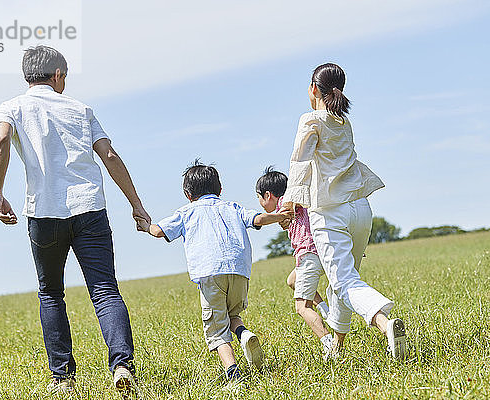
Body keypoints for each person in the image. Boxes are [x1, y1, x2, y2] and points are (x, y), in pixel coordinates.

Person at [0, 45, 151, 397]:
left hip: (44, 212)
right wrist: (136, 205)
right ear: (58, 75)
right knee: (105, 291)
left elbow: (1, 138)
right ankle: (122, 365)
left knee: (50, 293)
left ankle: (62, 377)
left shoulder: (11, 107)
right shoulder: (80, 109)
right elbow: (108, 154)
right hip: (89, 207)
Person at [282, 63, 407, 359]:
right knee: (343, 282)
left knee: (345, 281)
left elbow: (299, 161)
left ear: (314, 88)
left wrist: (289, 200)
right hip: (361, 209)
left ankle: (385, 324)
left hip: (330, 211)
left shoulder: (310, 119)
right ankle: (336, 348)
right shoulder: (343, 122)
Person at [137, 160, 293, 382]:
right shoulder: (232, 207)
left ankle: (233, 374)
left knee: (217, 329)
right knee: (233, 315)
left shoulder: (185, 212)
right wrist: (279, 216)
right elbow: (258, 219)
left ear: (187, 194)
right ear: (220, 190)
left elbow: (158, 231)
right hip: (240, 271)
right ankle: (244, 334)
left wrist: (145, 225)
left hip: (210, 273)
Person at [256, 167, 338, 359]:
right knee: (292, 280)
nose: (259, 202)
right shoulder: (286, 206)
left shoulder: (287, 201)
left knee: (302, 307)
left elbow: (294, 204)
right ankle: (326, 310)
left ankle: (329, 344)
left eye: (259, 197)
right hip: (319, 251)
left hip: (309, 252)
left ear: (268, 195)